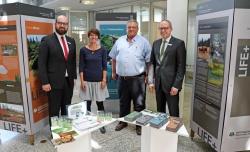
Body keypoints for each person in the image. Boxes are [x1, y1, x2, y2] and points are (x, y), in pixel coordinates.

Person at [109, 20, 151, 135]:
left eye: (133, 27)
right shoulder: (119, 40)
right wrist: (113, 72)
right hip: (122, 79)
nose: (131, 29)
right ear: (126, 28)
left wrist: (148, 76)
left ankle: (139, 124)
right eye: (129, 27)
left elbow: (149, 62)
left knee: (139, 103)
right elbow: (113, 57)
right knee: (123, 102)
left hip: (138, 79)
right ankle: (123, 121)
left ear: (137, 29)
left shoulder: (144, 42)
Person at [38, 15, 77, 122]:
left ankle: (66, 129)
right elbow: (41, 63)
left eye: (65, 24)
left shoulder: (71, 41)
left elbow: (72, 61)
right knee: (54, 110)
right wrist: (45, 82)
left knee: (66, 107)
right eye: (60, 23)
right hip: (53, 83)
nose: (62, 26)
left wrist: (73, 78)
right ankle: (55, 133)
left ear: (67, 25)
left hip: (68, 82)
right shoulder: (46, 40)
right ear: (55, 24)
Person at [148, 20, 186, 117]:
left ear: (171, 29)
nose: (163, 30)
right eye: (161, 28)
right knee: (160, 111)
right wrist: (151, 81)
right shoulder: (155, 43)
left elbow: (181, 67)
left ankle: (174, 131)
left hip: (171, 85)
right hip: (158, 84)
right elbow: (152, 64)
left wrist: (176, 85)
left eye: (166, 28)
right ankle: (161, 130)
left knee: (173, 111)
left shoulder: (179, 43)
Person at [79, 28, 109, 134]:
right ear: (88, 36)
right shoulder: (83, 50)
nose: (93, 37)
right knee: (87, 104)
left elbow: (104, 66)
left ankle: (102, 124)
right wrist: (82, 81)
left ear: (98, 37)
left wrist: (104, 79)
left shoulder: (103, 50)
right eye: (91, 35)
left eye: (95, 35)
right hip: (87, 81)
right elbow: (81, 67)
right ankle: (88, 123)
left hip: (99, 81)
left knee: (100, 104)